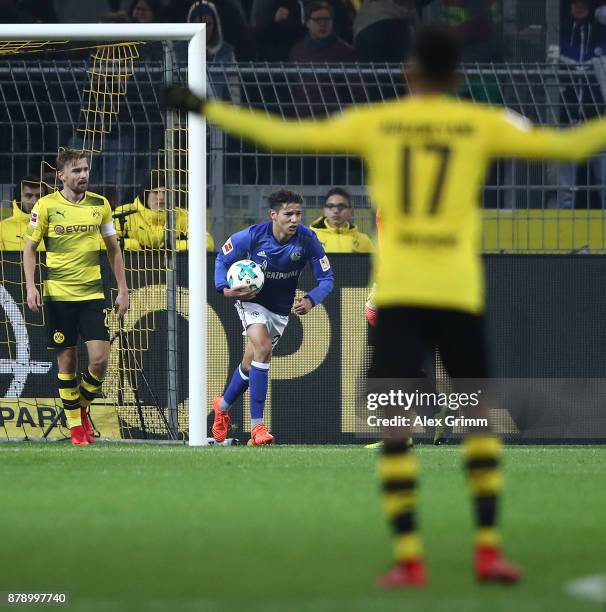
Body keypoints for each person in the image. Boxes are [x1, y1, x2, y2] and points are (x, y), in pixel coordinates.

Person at [164, 25, 606, 586]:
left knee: (394, 428)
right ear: (458, 78)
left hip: (398, 298)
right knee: (476, 423)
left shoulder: (379, 123)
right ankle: (489, 551)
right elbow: (568, 145)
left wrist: (203, 107)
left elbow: (283, 134)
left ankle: (409, 558)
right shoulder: (483, 122)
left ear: (408, 75)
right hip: (457, 295)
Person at [23, 149, 129, 446]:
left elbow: (113, 249)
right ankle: (75, 427)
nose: (83, 175)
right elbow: (30, 248)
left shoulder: (100, 205)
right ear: (62, 176)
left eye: (85, 170)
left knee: (100, 359)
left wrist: (123, 288)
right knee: (67, 361)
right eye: (76, 171)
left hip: (92, 294)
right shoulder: (45, 207)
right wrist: (31, 287)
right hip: (58, 297)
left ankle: (78, 408)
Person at [213, 189, 334, 445]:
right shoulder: (253, 236)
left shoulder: (307, 239)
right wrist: (224, 287)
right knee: (264, 348)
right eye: (288, 214)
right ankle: (257, 428)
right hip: (251, 301)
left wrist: (311, 300)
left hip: (280, 311)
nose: (294, 219)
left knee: (250, 363)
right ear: (274, 215)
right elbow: (223, 257)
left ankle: (222, 407)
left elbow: (327, 278)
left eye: (298, 214)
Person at [557, 0, 606, 209]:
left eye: (583, 3)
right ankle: (563, 221)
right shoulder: (560, 31)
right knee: (565, 181)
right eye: (575, 3)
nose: (579, 7)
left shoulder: (600, 32)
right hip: (567, 115)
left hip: (597, 116)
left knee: (603, 176)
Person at [310, 187, 373, 252]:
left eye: (341, 206)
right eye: (330, 206)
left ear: (350, 211)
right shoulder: (309, 239)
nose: (336, 211)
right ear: (324, 211)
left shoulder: (364, 241)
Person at [289, 1, 356, 62]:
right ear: (307, 23)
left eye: (327, 19)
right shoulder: (297, 52)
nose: (323, 24)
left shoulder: (346, 52)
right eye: (317, 20)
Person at [0, 177, 47, 251]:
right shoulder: (2, 228)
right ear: (19, 198)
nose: (34, 201)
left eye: (39, 196)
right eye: (29, 196)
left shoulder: (54, 227)